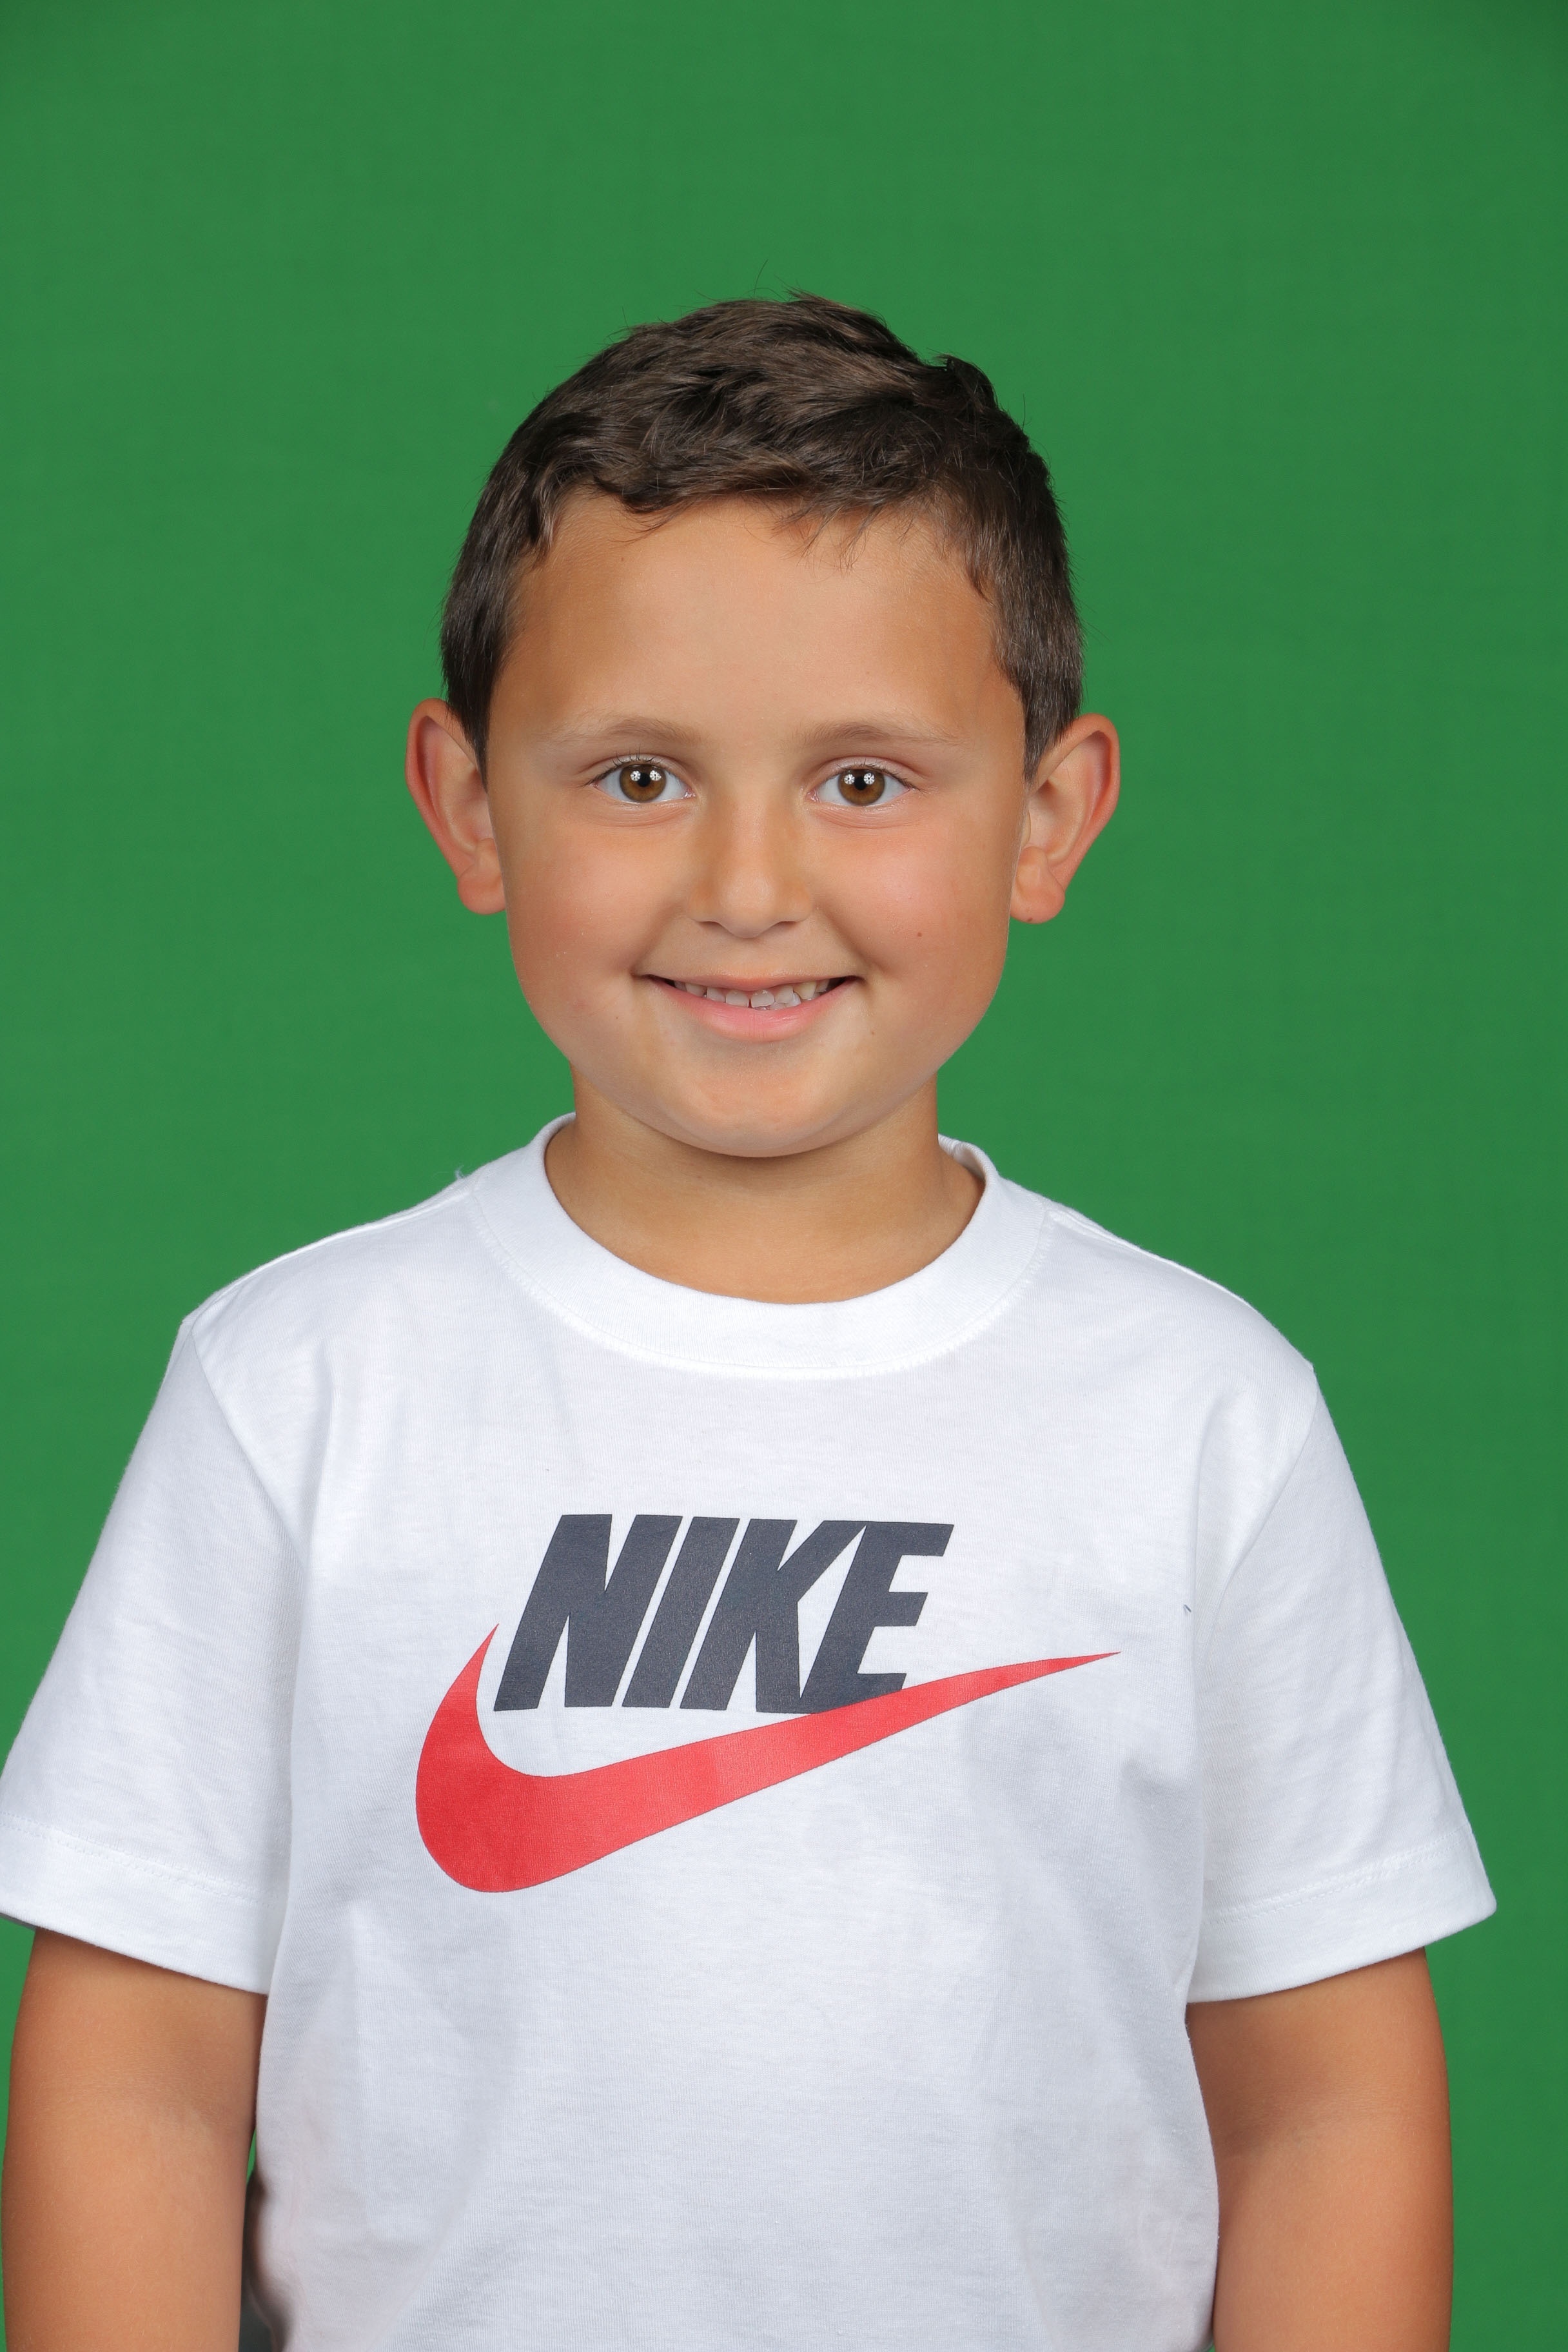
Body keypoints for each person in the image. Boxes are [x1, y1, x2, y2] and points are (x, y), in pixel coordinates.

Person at [0, 293, 1492, 2352]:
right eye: (638, 776)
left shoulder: (1198, 1411)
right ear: (468, 805)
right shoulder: (300, 1386)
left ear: (1049, 815)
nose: (749, 880)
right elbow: (142, 2065)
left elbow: (1326, 2099)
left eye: (865, 779)